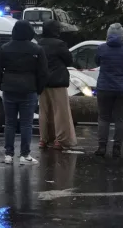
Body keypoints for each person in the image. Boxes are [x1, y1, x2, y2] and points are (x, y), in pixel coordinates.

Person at [0, 20, 48, 165]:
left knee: (9, 123)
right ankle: (25, 154)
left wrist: (2, 85)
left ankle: (8, 154)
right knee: (26, 124)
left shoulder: (5, 48)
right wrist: (38, 89)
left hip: (9, 88)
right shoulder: (37, 49)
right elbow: (43, 72)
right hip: (29, 89)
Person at [95, 23, 123, 158]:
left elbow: (97, 62)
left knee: (104, 118)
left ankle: (102, 147)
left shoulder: (101, 48)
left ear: (107, 34)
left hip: (104, 88)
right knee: (121, 119)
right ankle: (117, 148)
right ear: (122, 35)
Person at [38, 20, 77, 150]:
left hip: (43, 82)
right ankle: (60, 140)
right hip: (58, 81)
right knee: (60, 111)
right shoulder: (59, 44)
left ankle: (44, 139)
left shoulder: (40, 43)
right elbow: (69, 60)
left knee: (44, 111)